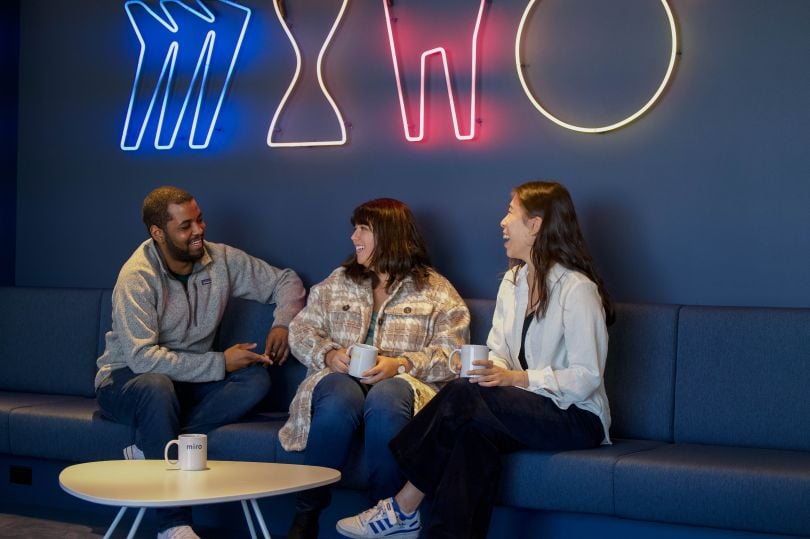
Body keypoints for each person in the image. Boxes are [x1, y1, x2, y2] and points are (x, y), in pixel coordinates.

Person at [336, 181, 615, 539]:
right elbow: (498, 352)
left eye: (511, 211)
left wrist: (514, 379)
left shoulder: (577, 290)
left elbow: (587, 376)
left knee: (465, 397)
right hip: (525, 409)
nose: (502, 221)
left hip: (576, 416)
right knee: (470, 433)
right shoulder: (513, 282)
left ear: (535, 225)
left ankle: (403, 506)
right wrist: (481, 368)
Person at [95, 186, 305, 539]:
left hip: (187, 384)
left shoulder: (218, 259)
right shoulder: (137, 278)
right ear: (158, 233)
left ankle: (154, 446)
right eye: (185, 226)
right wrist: (221, 362)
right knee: (156, 386)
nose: (199, 231)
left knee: (256, 380)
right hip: (127, 381)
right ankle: (172, 524)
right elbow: (143, 358)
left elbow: (285, 281)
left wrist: (283, 322)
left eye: (200, 219)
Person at [279, 198, 470, 539]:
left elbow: (453, 352)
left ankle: (386, 518)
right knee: (338, 393)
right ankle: (306, 517)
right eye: (355, 228)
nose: (354, 237)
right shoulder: (340, 280)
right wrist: (329, 354)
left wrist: (401, 364)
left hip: (401, 390)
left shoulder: (436, 289)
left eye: (363, 229)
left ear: (389, 234)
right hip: (341, 384)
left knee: (388, 394)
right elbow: (300, 329)